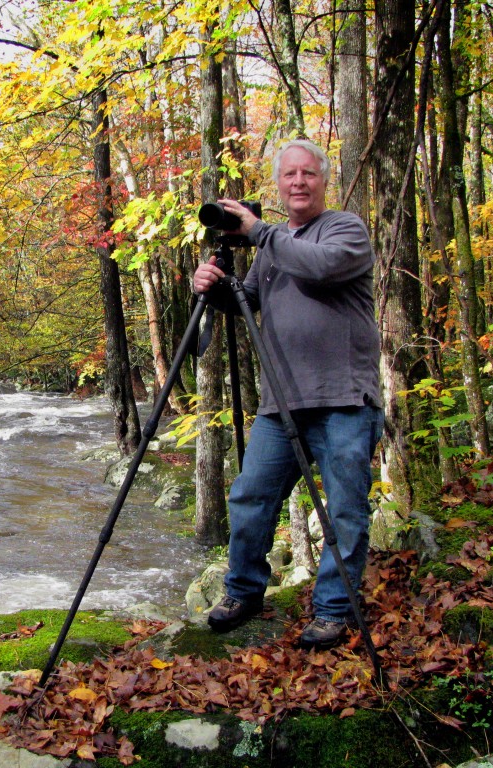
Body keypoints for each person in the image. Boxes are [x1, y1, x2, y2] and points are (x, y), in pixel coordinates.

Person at [193, 139, 384, 650]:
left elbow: (320, 267)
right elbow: (247, 301)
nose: (298, 182)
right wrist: (213, 285)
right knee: (251, 496)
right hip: (281, 402)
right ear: (278, 185)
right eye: (289, 175)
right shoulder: (273, 247)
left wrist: (258, 232)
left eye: (308, 173)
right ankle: (244, 592)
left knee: (343, 508)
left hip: (344, 399)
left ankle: (333, 609)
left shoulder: (344, 229)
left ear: (323, 180)